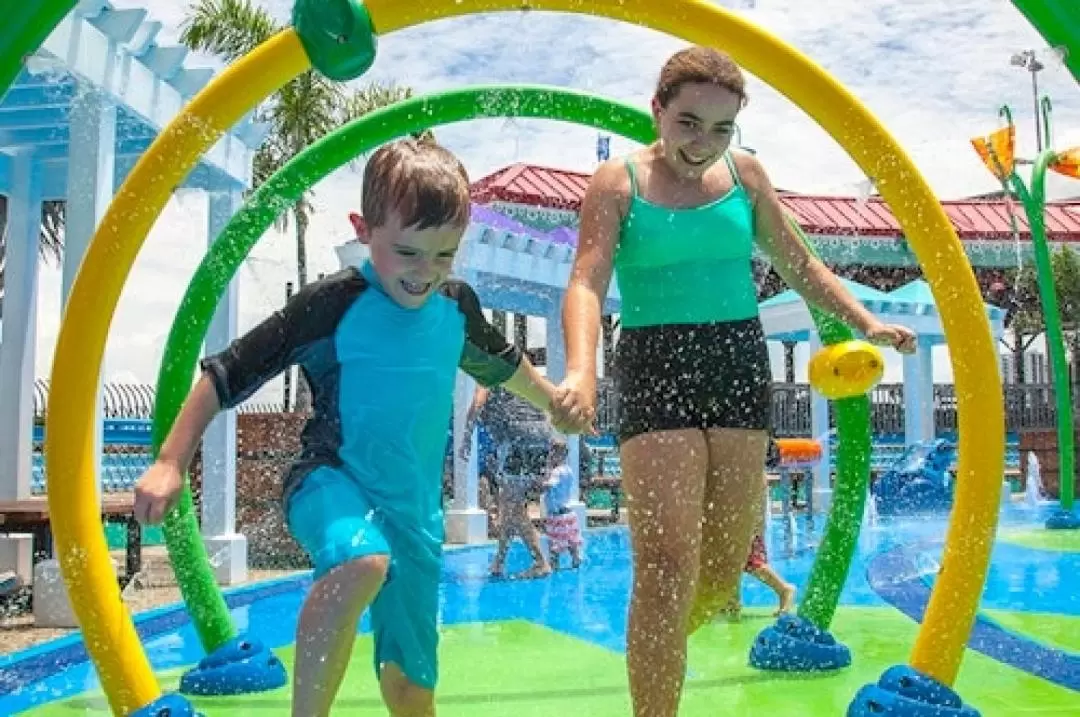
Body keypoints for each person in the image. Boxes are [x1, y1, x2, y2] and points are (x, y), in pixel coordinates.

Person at [134, 138, 562, 717]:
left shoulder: (455, 307)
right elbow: (226, 372)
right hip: (330, 482)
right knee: (361, 560)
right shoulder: (332, 304)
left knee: (412, 690)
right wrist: (169, 461)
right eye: (408, 252)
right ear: (364, 229)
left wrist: (555, 401)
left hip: (415, 515)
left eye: (444, 256)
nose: (425, 274)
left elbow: (503, 363)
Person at [550, 46, 917, 717]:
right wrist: (581, 368)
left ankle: (654, 639)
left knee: (721, 576)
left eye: (721, 128)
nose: (702, 143)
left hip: (737, 360)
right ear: (657, 110)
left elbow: (801, 264)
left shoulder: (745, 177)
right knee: (663, 567)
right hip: (656, 362)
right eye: (689, 122)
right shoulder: (618, 180)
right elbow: (586, 278)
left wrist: (864, 320)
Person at [462, 385, 552, 579]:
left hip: (515, 436)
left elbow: (478, 401)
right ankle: (499, 561)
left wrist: (467, 437)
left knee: (513, 506)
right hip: (540, 436)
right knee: (509, 504)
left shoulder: (489, 367)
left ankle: (540, 562)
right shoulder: (518, 365)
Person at [541, 439, 584, 570]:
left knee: (554, 544)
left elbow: (550, 485)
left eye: (551, 454)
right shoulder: (568, 470)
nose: (549, 457)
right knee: (572, 541)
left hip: (556, 516)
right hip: (569, 513)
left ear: (556, 455)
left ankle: (554, 565)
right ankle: (576, 559)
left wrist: (538, 484)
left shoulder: (556, 471)